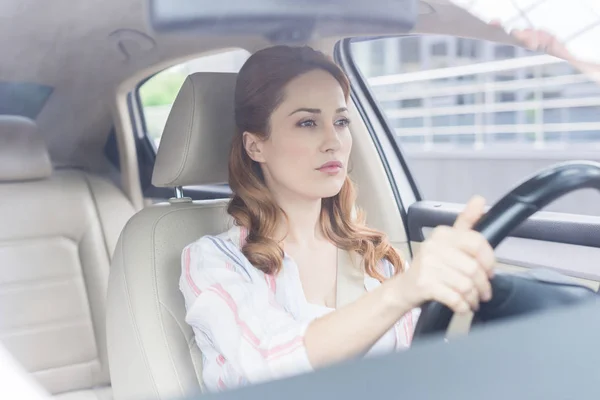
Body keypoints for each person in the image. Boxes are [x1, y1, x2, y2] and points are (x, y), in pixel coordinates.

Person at [179, 45, 496, 392]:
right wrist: (400, 293)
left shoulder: (373, 255)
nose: (333, 141)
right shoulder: (216, 262)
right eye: (307, 122)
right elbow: (269, 366)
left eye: (341, 121)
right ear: (256, 146)